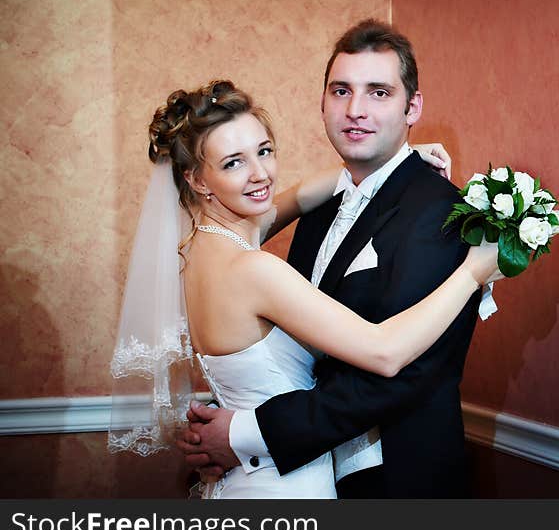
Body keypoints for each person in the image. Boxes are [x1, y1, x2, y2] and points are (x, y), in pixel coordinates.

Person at [110, 76, 502, 499]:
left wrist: (400, 161)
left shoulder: (195, 252)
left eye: (264, 152)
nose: (260, 175)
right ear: (198, 180)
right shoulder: (253, 268)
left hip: (242, 476)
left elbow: (298, 196)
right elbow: (385, 352)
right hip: (285, 485)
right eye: (233, 163)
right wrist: (473, 272)